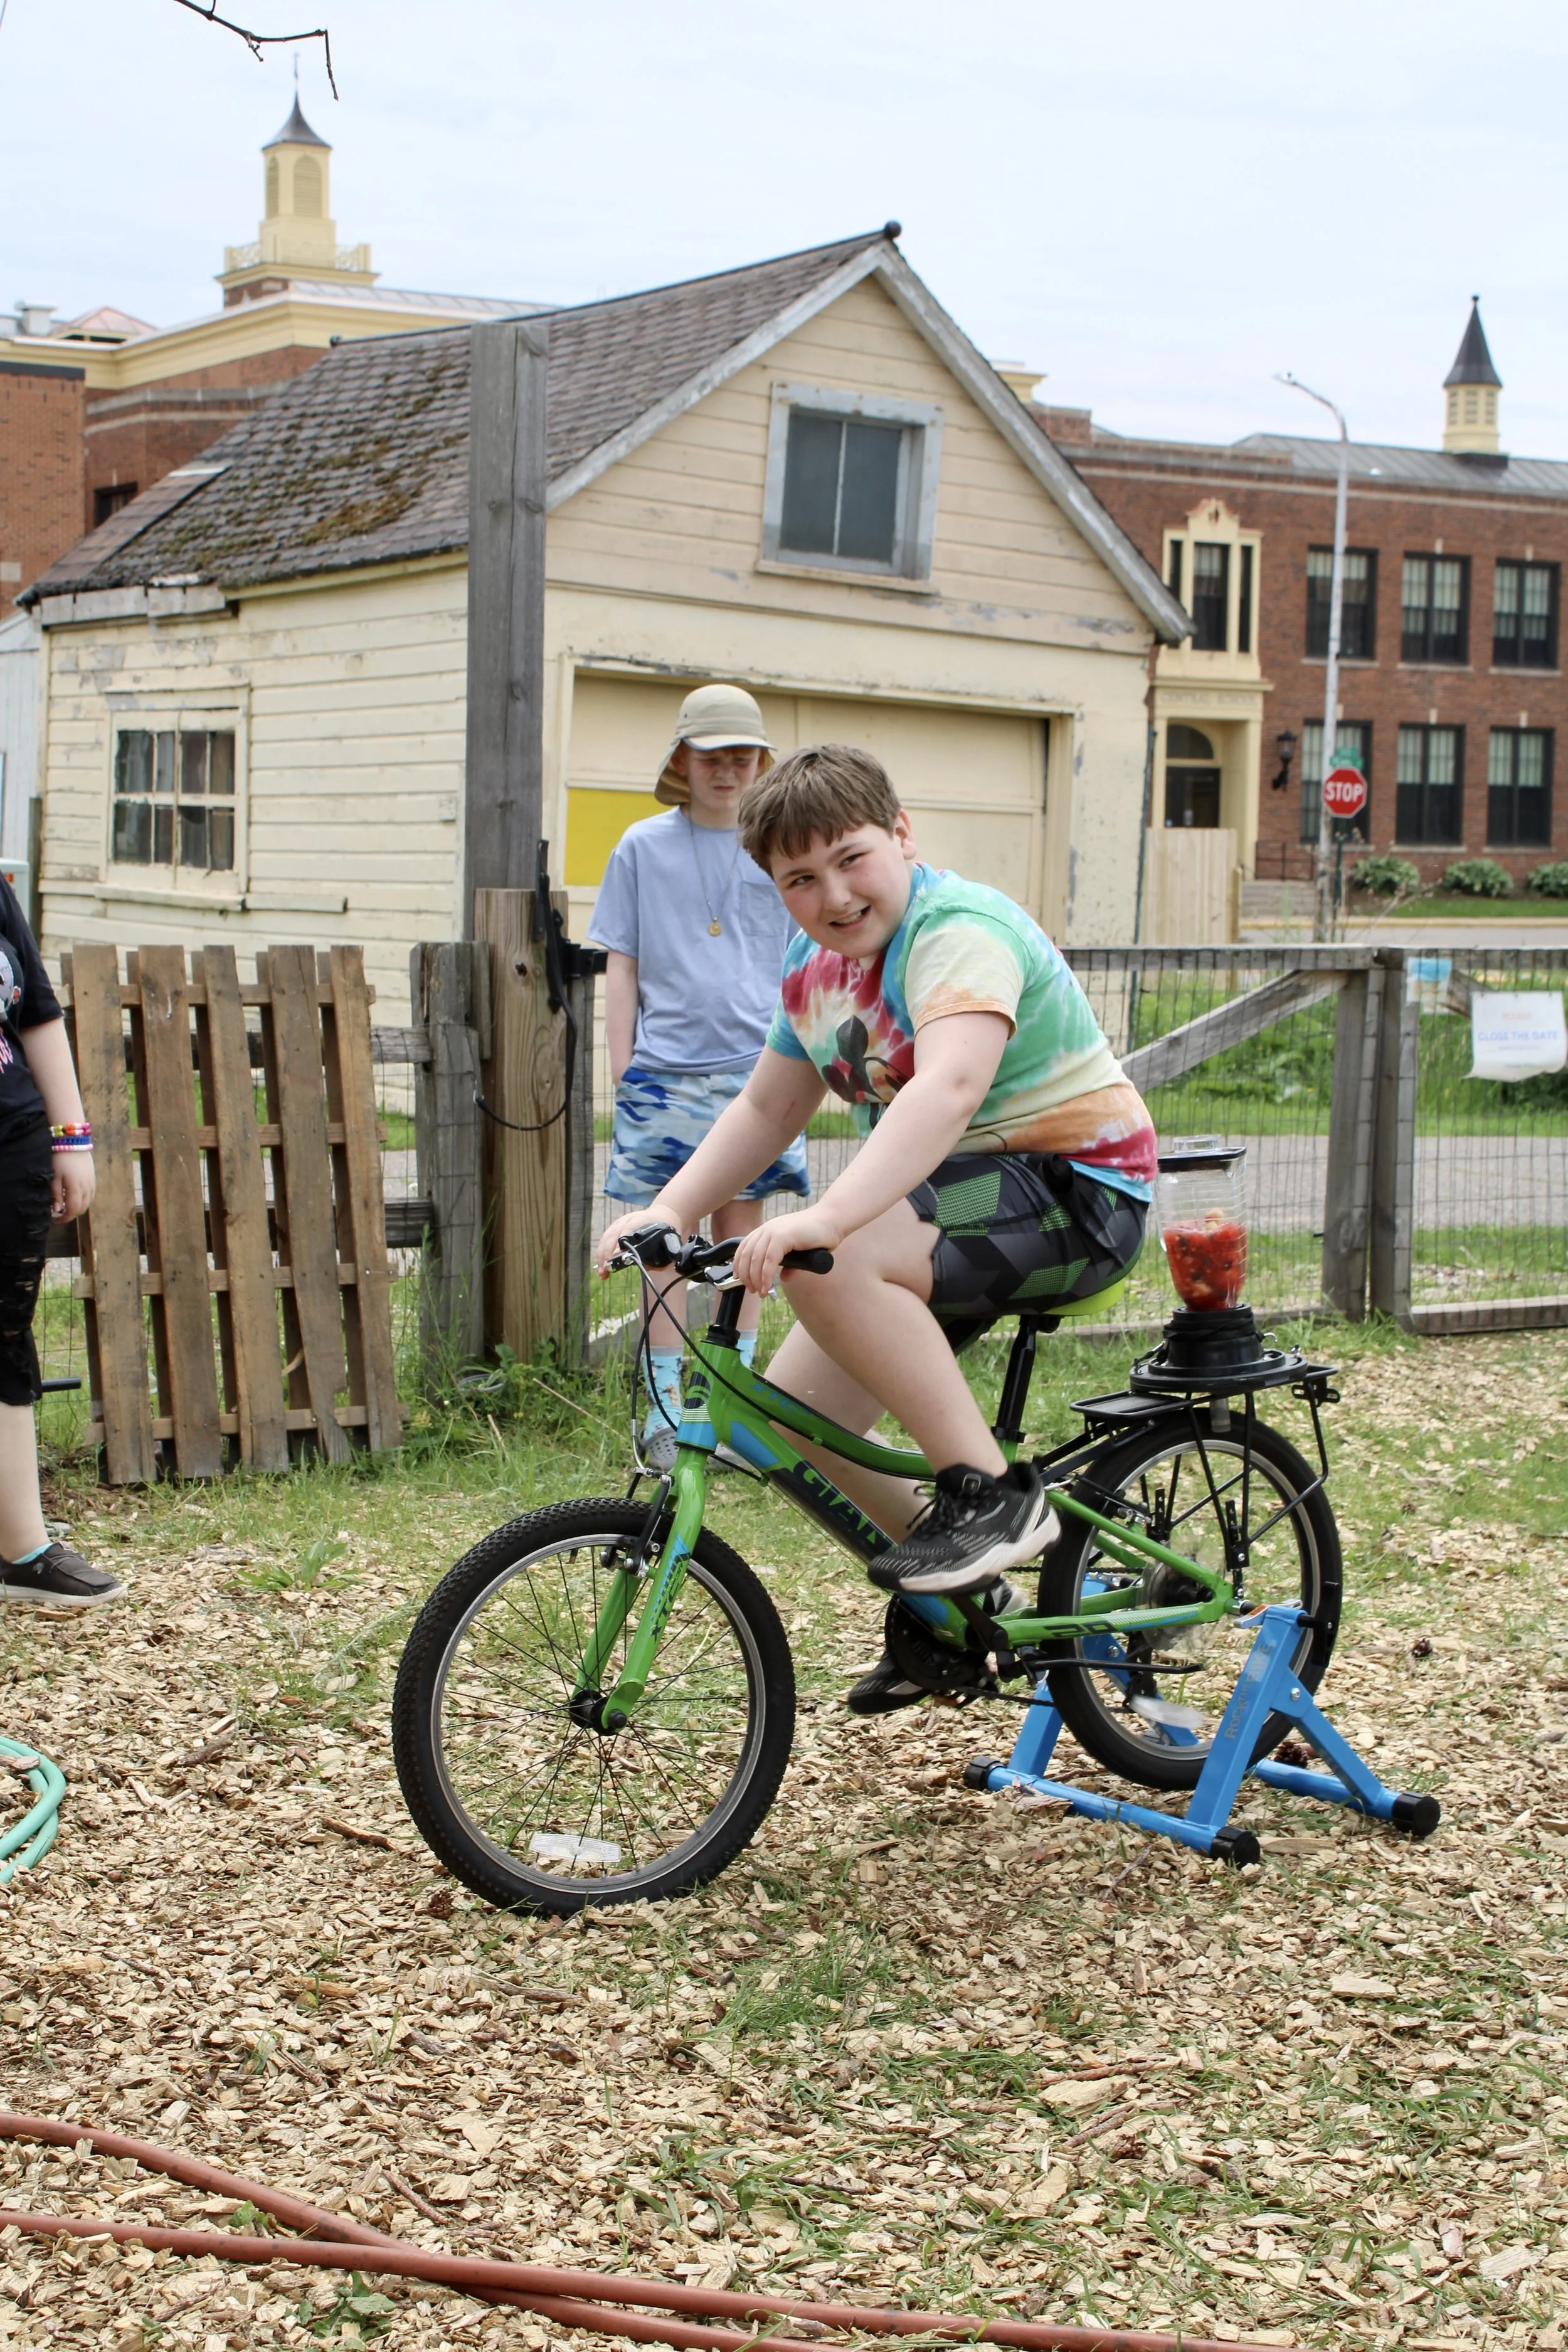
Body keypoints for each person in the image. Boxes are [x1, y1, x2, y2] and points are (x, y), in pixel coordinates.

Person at [596, 744, 1155, 1710]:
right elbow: (769, 1109)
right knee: (801, 1423)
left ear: (902, 835)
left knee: (831, 1255)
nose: (835, 894)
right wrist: (670, 1206)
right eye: (800, 879)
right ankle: (967, 1603)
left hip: (1073, 1186)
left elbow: (949, 1087)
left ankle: (993, 1495)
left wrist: (829, 1215)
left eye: (853, 857)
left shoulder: (957, 932)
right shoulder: (814, 968)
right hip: (961, 1201)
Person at [588, 684, 810, 1468]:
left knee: (743, 1241)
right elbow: (622, 961)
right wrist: (625, 1072)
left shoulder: (778, 848)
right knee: (660, 1244)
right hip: (664, 1072)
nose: (728, 769)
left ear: (760, 763)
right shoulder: (640, 847)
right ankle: (659, 1412)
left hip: (756, 1076)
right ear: (683, 759)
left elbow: (802, 956)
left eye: (743, 755)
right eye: (712, 755)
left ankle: (733, 1407)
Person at [0, 874, 124, 1608]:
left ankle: (22, 1549)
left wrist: (71, 1138)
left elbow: (38, 1011)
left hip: (10, 1140)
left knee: (6, 1335)